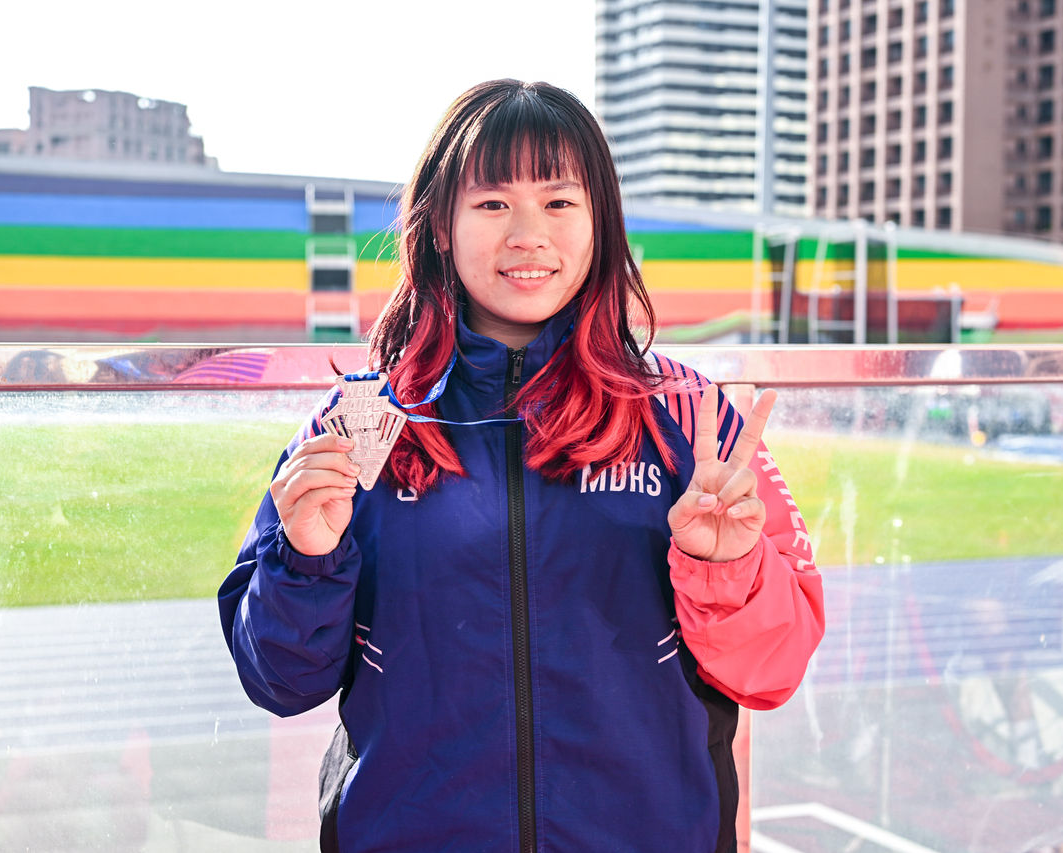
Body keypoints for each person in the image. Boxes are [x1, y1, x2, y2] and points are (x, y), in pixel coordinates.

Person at [218, 79, 825, 853]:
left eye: (559, 202)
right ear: (441, 226)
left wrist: (728, 568)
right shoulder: (362, 422)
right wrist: (306, 558)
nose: (528, 234)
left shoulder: (691, 421)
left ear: (601, 223)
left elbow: (773, 670)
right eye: (494, 202)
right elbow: (278, 679)